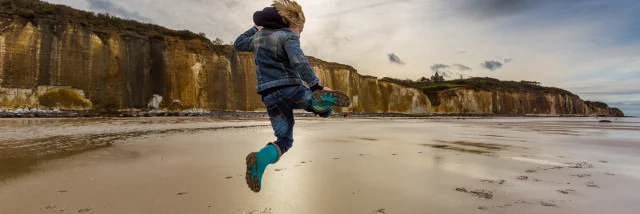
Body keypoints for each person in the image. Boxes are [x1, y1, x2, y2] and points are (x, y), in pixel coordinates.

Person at [233, 0, 350, 193]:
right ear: (291, 24)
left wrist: (255, 28)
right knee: (319, 107)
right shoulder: (287, 36)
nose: (300, 35)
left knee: (285, 139)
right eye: (300, 31)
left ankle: (260, 159)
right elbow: (300, 62)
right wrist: (316, 86)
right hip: (290, 88)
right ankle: (319, 101)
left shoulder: (258, 38)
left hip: (269, 96)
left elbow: (238, 43)